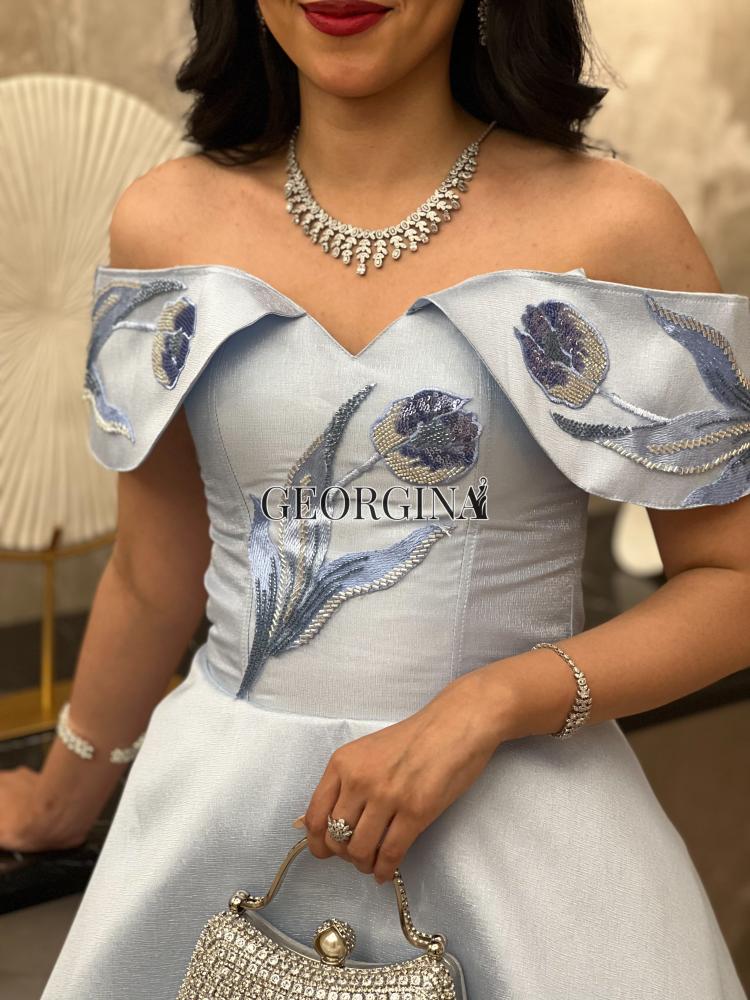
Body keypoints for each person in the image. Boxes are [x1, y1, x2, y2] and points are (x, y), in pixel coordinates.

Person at [2, 0, 749, 996]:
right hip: (215, 822)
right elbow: (151, 575)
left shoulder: (612, 226)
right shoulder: (162, 223)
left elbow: (734, 580)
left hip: (533, 857)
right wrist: (63, 798)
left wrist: (490, 702)